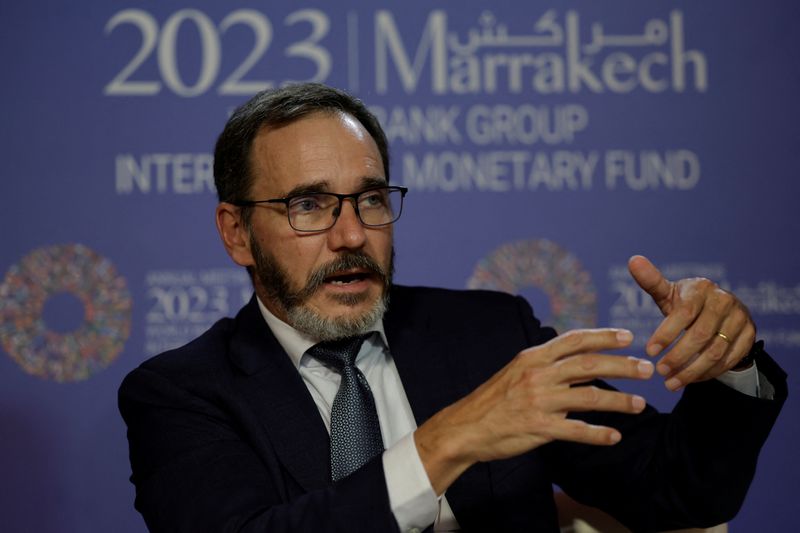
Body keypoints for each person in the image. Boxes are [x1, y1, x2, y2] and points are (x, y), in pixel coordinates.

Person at [119, 83, 786, 533]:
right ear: (237, 232)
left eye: (371, 199)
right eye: (309, 205)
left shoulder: (491, 335)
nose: (352, 235)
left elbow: (677, 489)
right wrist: (447, 440)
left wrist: (729, 364)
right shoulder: (180, 392)